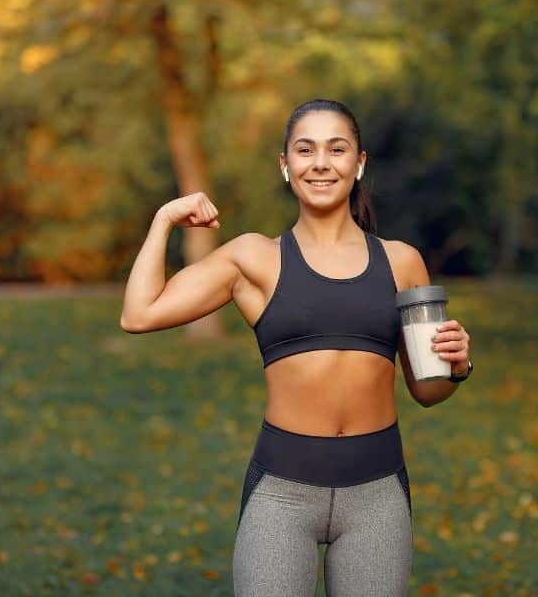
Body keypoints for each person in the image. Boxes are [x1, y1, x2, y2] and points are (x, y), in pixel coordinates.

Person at [120, 98, 473, 596]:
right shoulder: (254, 258)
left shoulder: (403, 263)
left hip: (377, 497)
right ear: (286, 166)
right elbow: (139, 314)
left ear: (359, 163)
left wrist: (457, 366)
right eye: (305, 150)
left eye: (337, 149)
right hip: (281, 496)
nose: (322, 163)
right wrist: (163, 221)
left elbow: (427, 390)